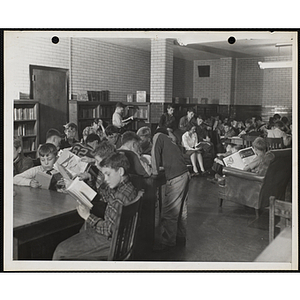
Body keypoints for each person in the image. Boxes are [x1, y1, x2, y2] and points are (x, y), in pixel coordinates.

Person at [52, 152, 138, 260]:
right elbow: (106, 197)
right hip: (122, 240)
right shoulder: (128, 188)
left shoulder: (119, 196)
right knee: (83, 229)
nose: (105, 179)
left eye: (108, 174)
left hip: (112, 242)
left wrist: (87, 216)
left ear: (120, 171)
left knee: (60, 251)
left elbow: (108, 229)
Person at [151, 127, 190, 250]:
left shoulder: (158, 136)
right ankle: (180, 238)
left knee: (170, 211)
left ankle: (167, 243)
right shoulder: (171, 142)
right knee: (181, 210)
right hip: (185, 174)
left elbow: (154, 155)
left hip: (176, 177)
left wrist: (154, 173)